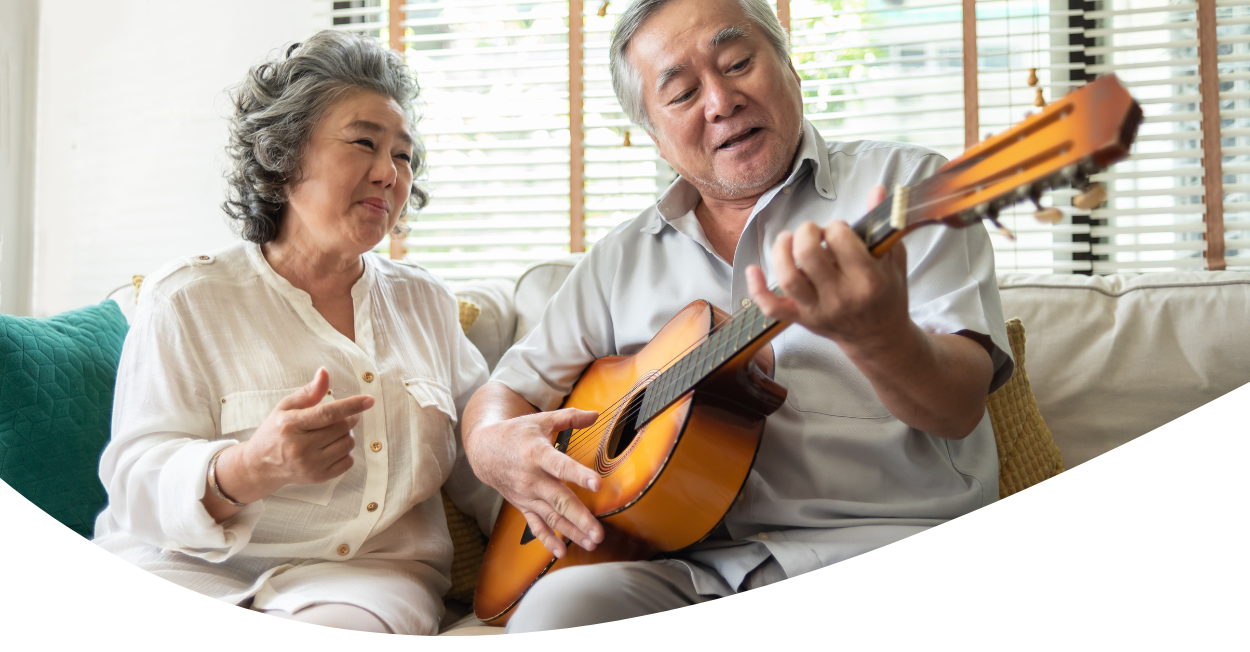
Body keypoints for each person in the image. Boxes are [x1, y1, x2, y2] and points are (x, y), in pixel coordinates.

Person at [461, 0, 1014, 632]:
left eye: (738, 62)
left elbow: (958, 404)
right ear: (655, 135)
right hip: (695, 572)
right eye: (682, 92)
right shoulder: (620, 259)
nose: (721, 101)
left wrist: (881, 336)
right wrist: (489, 445)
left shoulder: (908, 189)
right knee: (556, 610)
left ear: (789, 68)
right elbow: (505, 390)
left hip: (889, 548)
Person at [93, 30, 496, 636]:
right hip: (184, 570)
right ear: (284, 155)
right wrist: (250, 467)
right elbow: (133, 482)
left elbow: (486, 462)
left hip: (365, 584)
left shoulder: (425, 304)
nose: (390, 173)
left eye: (405, 156)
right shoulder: (187, 297)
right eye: (365, 142)